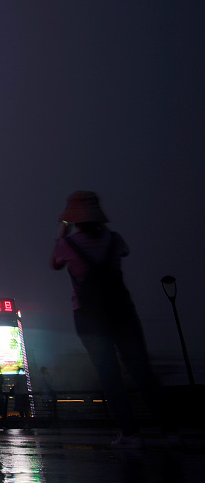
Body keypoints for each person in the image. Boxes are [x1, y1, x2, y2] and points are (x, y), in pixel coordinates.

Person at [51, 191, 171, 448]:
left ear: (73, 219)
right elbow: (123, 253)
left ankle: (130, 434)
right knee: (142, 371)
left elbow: (55, 264)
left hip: (88, 316)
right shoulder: (115, 239)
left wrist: (63, 231)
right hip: (122, 312)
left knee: (109, 375)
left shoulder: (67, 244)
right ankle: (171, 432)